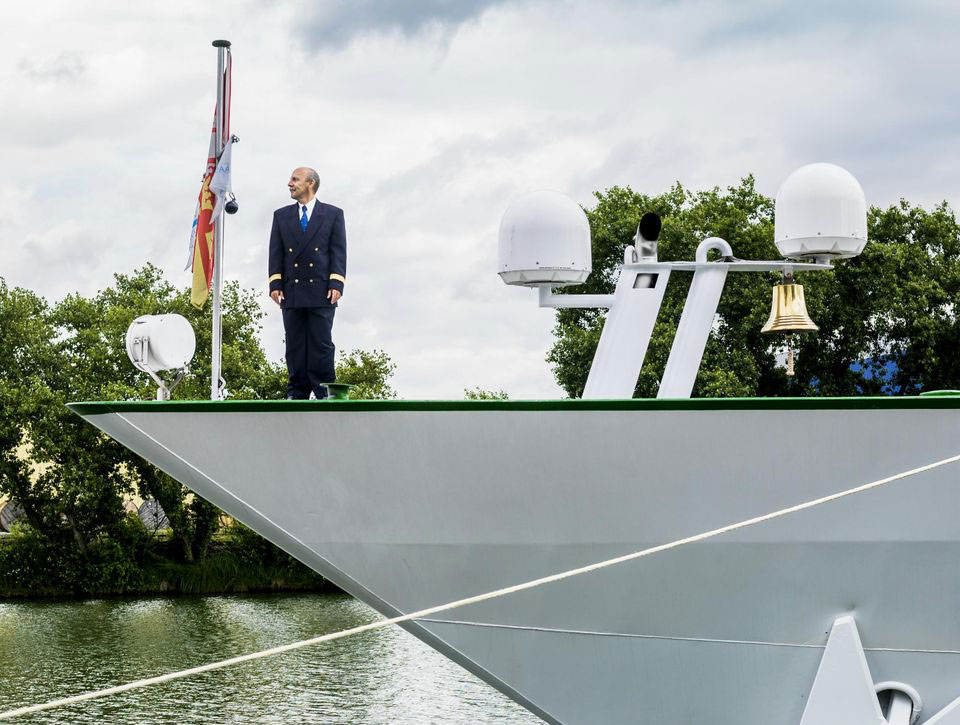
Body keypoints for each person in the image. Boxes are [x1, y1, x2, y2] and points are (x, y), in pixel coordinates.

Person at [268, 167, 346, 399]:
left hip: (322, 290)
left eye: (295, 179)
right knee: (294, 344)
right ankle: (297, 391)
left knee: (321, 343)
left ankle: (324, 391)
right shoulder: (281, 216)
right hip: (291, 291)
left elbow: (338, 251)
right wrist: (275, 284)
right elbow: (276, 252)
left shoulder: (333, 214)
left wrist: (337, 283)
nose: (289, 183)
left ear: (310, 183)